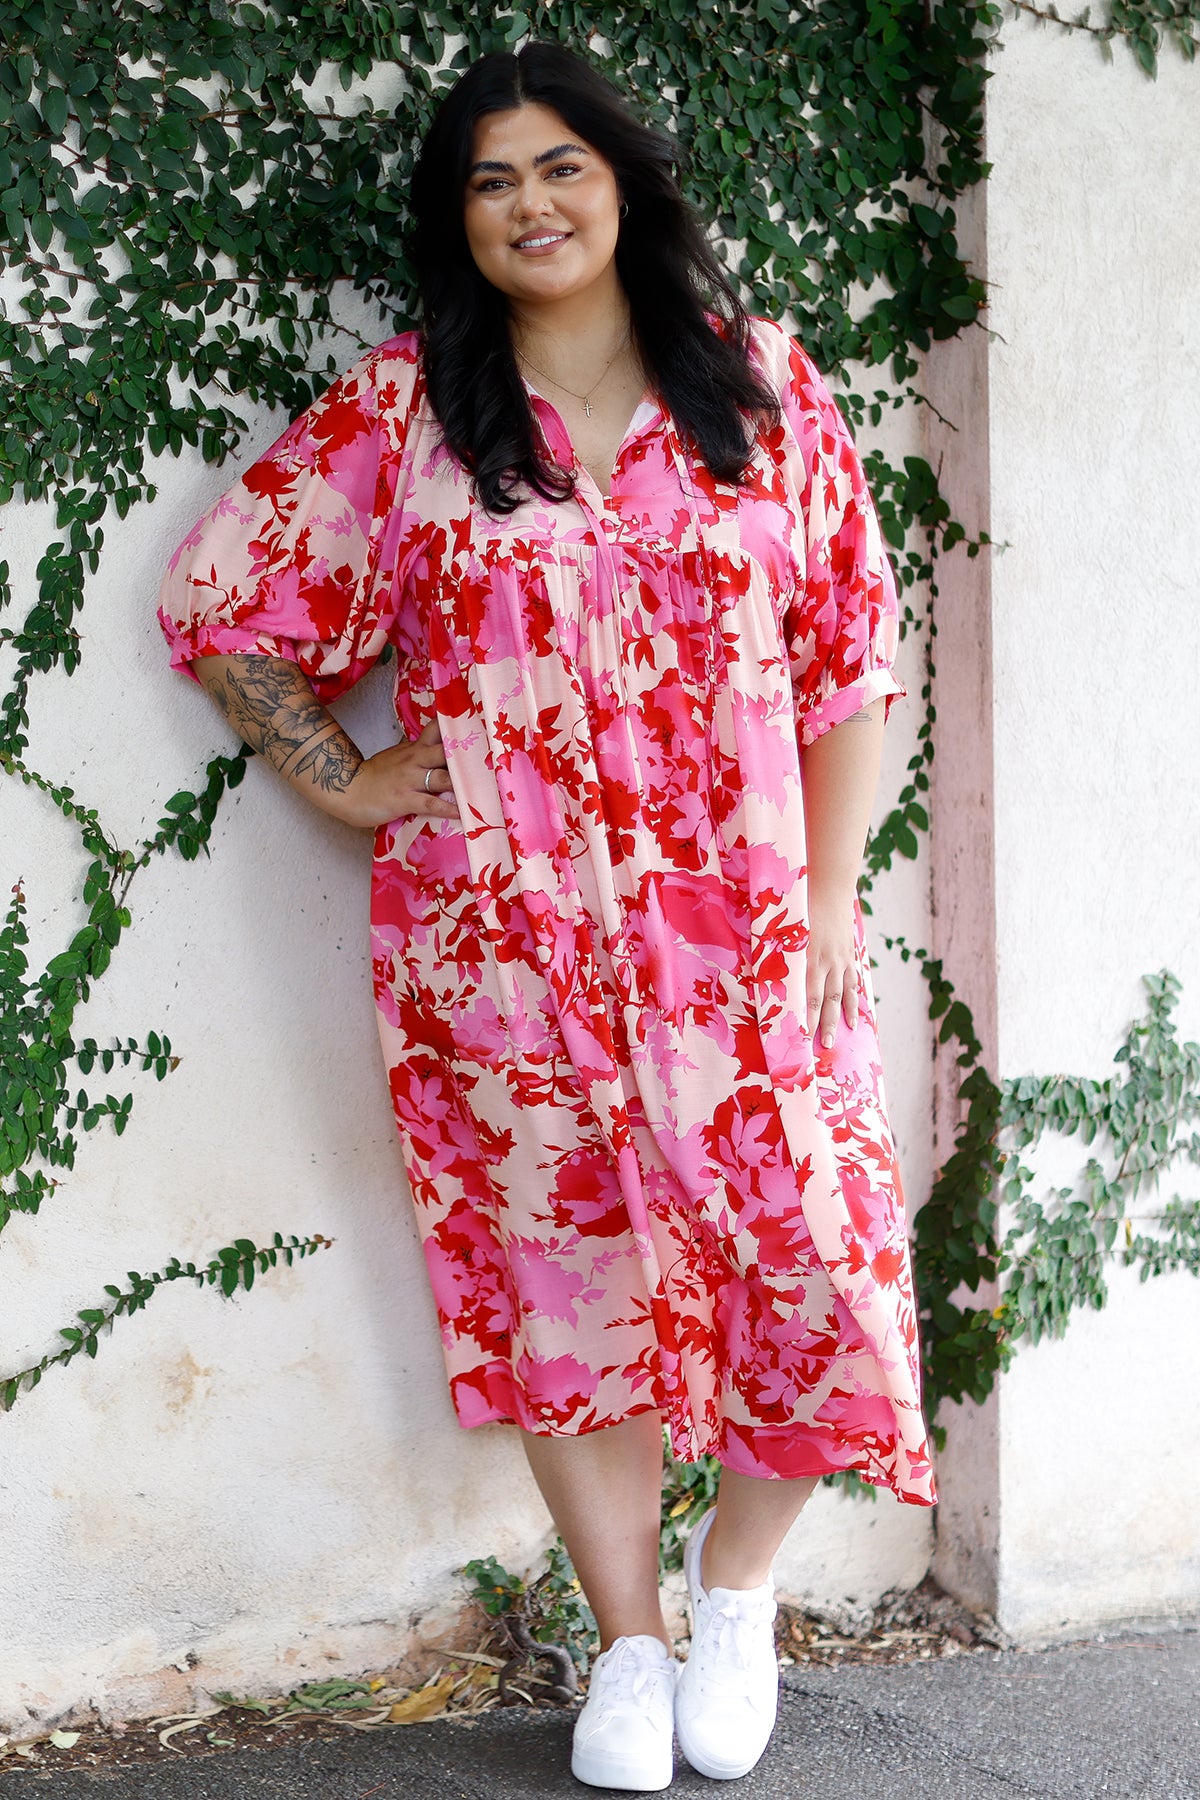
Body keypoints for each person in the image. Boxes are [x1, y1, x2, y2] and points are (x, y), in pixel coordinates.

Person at [158, 40, 938, 1792]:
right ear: (460, 218)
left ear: (624, 183)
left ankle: (736, 1593)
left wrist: (828, 897)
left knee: (819, 1264)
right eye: (492, 179)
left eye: (561, 165)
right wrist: (344, 779)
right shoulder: (408, 415)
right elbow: (223, 601)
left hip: (747, 934)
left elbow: (850, 657)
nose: (531, 203)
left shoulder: (758, 387)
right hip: (499, 947)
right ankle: (630, 1646)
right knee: (563, 1292)